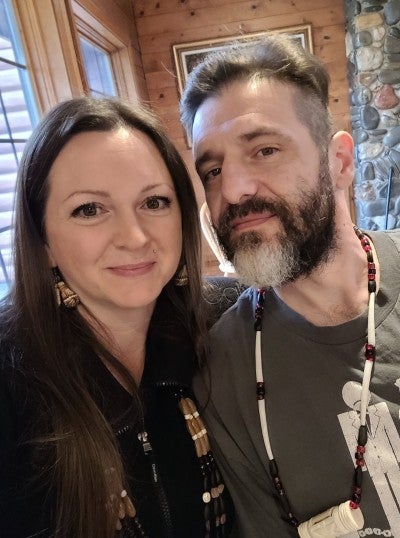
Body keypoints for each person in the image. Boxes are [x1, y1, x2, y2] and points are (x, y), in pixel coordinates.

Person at [180, 33, 400, 537]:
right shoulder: (224, 373)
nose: (232, 189)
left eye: (265, 149)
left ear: (339, 162)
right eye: (211, 170)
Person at [0, 97, 232, 538]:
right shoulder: (11, 381)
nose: (134, 236)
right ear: (43, 238)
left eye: (154, 202)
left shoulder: (227, 322)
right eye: (89, 209)